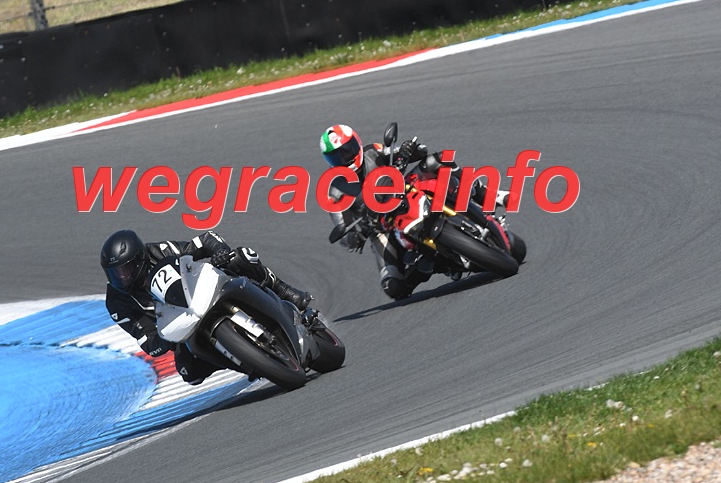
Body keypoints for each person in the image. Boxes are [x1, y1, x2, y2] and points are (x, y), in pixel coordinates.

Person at [101, 228, 312, 385]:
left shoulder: (159, 251)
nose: (122, 278)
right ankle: (246, 361)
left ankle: (283, 290)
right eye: (115, 274)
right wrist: (163, 339)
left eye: (126, 270)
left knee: (241, 257)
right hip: (182, 328)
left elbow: (204, 240)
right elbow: (147, 340)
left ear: (140, 259)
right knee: (189, 373)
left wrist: (220, 251)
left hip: (205, 290)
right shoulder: (116, 303)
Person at [319, 124, 505, 300]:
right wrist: (353, 237)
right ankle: (432, 265)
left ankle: (486, 195)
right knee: (393, 287)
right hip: (380, 228)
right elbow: (342, 228)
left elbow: (415, 151)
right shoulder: (335, 191)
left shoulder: (372, 151)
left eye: (347, 150)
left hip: (404, 190)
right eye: (336, 157)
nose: (345, 158)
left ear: (356, 142)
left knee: (439, 159)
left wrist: (408, 150)